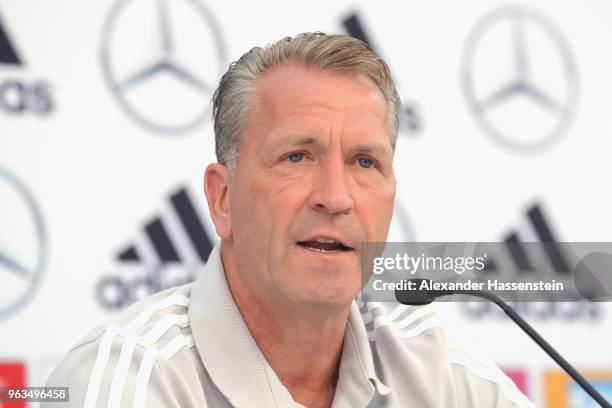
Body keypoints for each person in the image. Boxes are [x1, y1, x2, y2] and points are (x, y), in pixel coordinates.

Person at [44, 32, 534, 407]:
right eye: (297, 157)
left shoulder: (439, 377)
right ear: (223, 199)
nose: (336, 197)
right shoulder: (132, 380)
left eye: (365, 162)